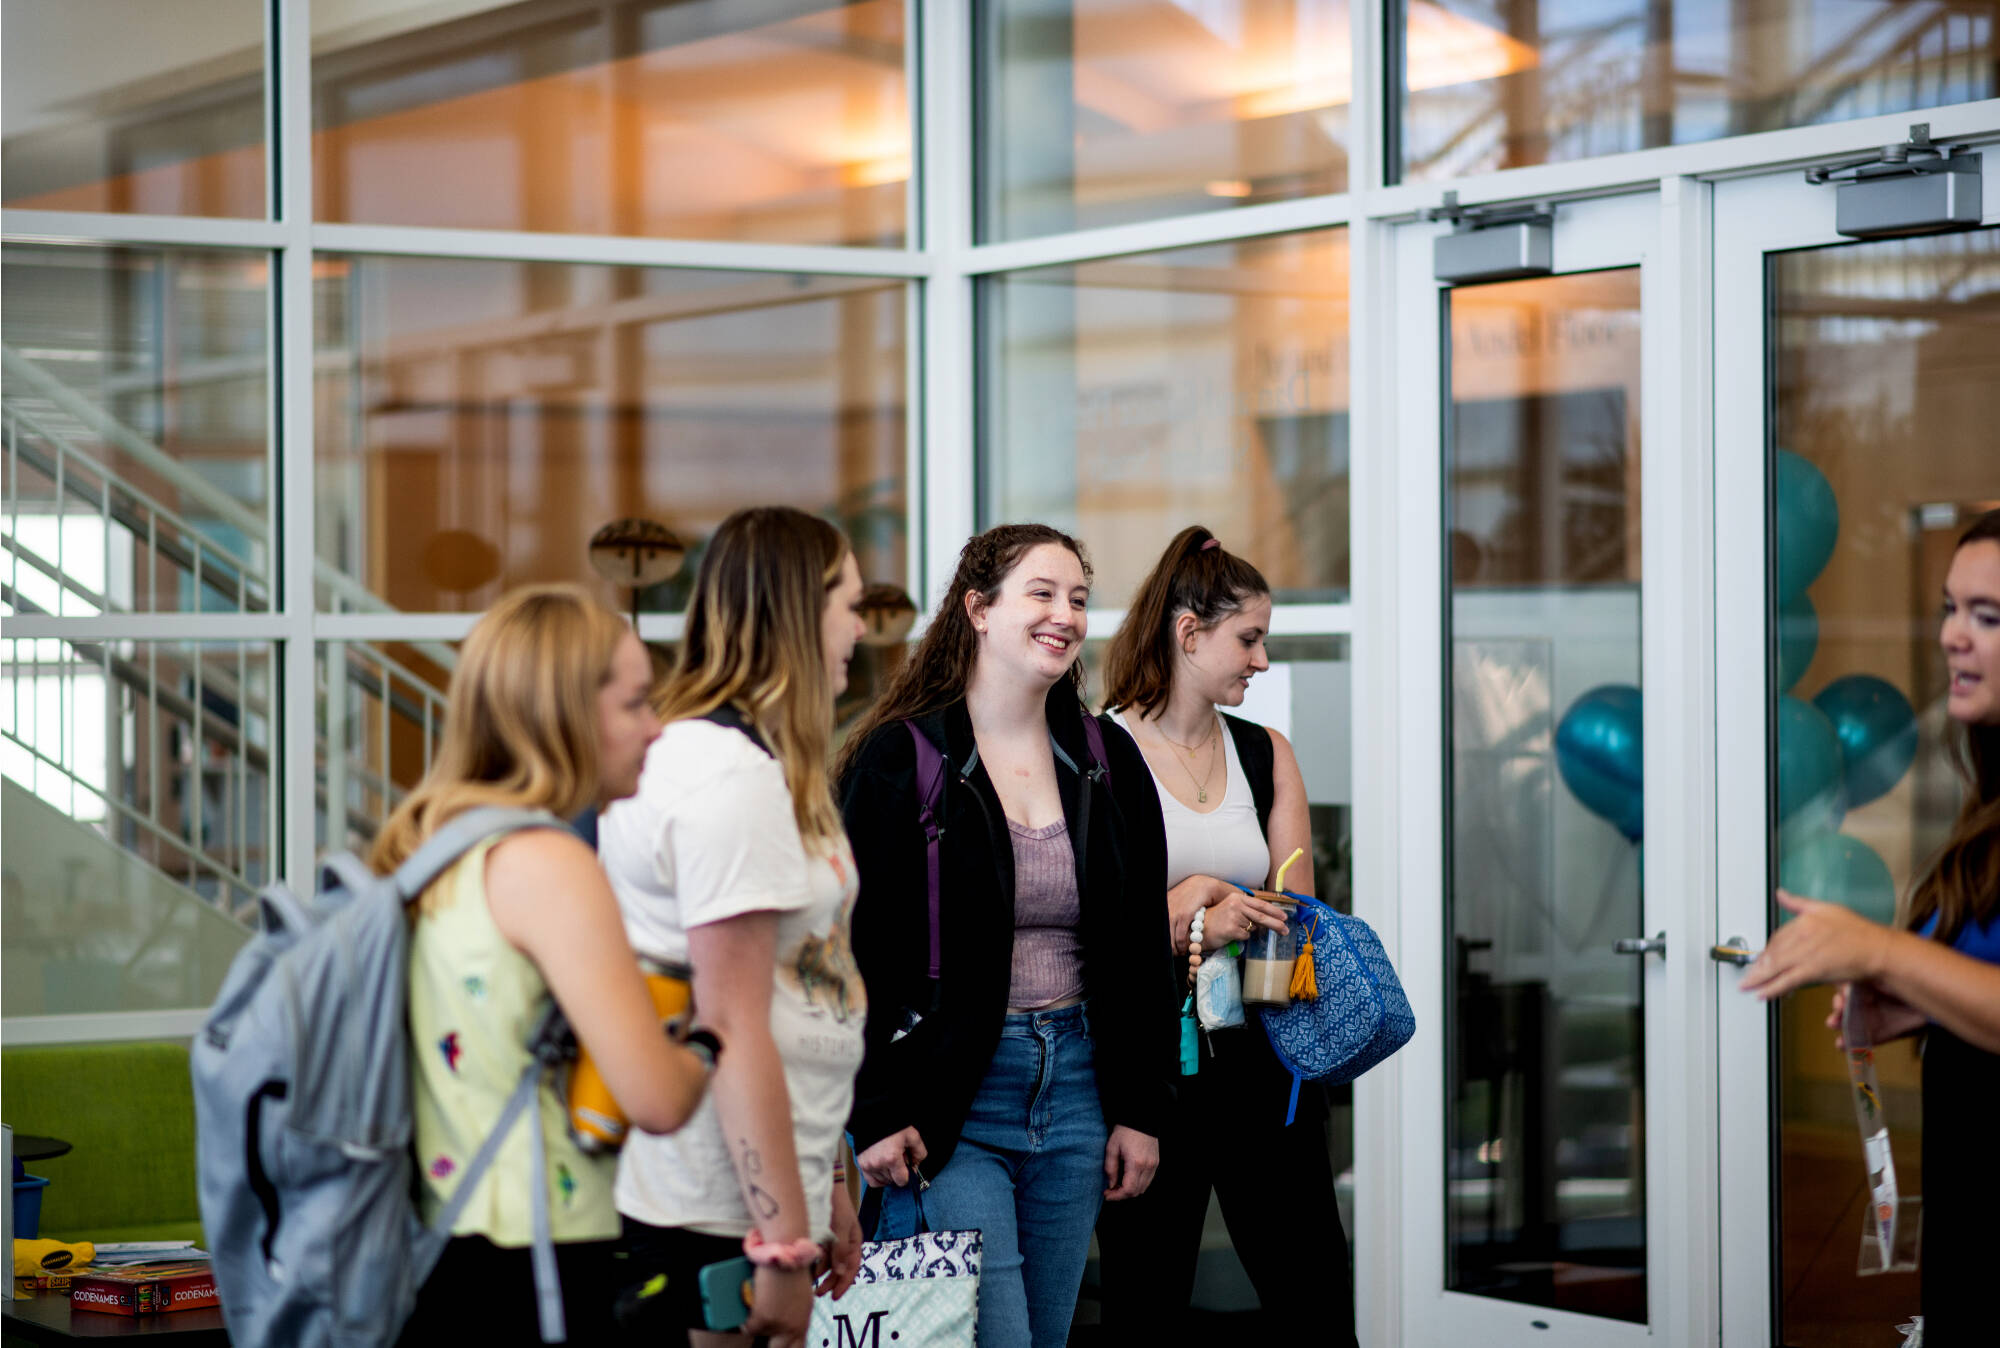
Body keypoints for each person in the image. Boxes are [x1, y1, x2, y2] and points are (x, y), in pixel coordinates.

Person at [837, 523, 1175, 1348]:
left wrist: (1141, 1108)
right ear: (978, 610)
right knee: (995, 1339)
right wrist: (872, 1111)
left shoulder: (1106, 757)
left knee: (1046, 1338)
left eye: (1079, 599)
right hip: (952, 1100)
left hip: (1078, 1094)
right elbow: (852, 951)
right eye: (1042, 593)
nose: (1065, 614)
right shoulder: (903, 757)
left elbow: (1138, 948)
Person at [377, 584, 715, 1345]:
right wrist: (712, 1036)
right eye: (635, 704)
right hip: (536, 1261)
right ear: (565, 713)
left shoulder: (432, 846)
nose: (657, 728)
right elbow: (657, 1099)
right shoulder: (550, 863)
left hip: (440, 1248)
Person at [597, 506, 869, 1346]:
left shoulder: (770, 765)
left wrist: (824, 1177)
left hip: (763, 1191)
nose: (861, 629)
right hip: (716, 1214)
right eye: (850, 605)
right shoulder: (725, 777)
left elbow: (800, 982)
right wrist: (783, 1247)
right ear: (798, 608)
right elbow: (732, 1024)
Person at [1091, 526, 1358, 1345]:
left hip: (1264, 1064)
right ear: (1188, 632)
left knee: (1313, 1291)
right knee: (1146, 1300)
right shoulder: (1100, 752)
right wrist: (1193, 913)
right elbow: (1090, 923)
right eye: (1249, 638)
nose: (1262, 660)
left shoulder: (1265, 753)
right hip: (1148, 1073)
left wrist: (1227, 915)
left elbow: (1297, 916)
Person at [1741, 508, 2000, 1341]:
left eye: (1987, 618)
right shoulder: (1985, 799)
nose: (1954, 637)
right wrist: (1917, 1002)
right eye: (1949, 610)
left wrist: (1878, 948)